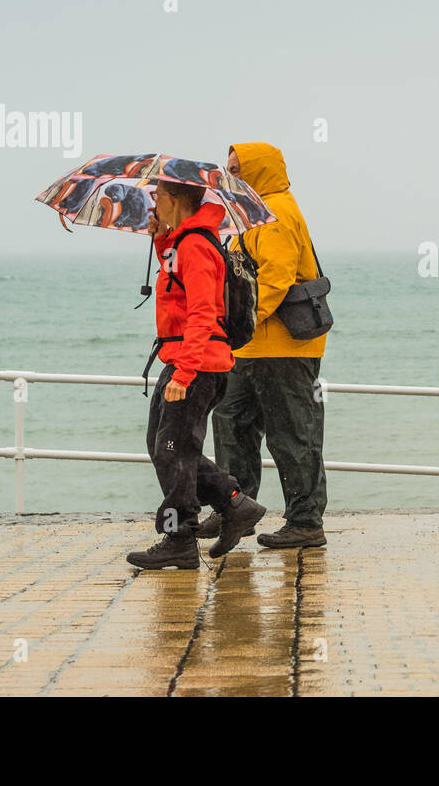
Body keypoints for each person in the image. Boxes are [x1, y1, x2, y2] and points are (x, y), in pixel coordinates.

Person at [126, 178, 264, 569]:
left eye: (157, 197)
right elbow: (176, 285)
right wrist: (159, 240)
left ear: (172, 199)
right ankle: (235, 505)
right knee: (166, 446)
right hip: (185, 358)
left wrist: (184, 374)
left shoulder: (198, 246)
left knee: (173, 451)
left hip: (196, 363)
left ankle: (180, 536)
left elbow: (203, 312)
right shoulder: (183, 244)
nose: (153, 204)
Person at [198, 142, 329, 549]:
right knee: (232, 425)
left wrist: (238, 325)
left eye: (237, 168)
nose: (229, 174)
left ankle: (306, 522)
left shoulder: (273, 213)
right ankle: (235, 511)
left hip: (283, 348)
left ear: (260, 170)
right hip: (251, 348)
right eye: (228, 167)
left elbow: (274, 279)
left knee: (292, 435)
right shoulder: (249, 213)